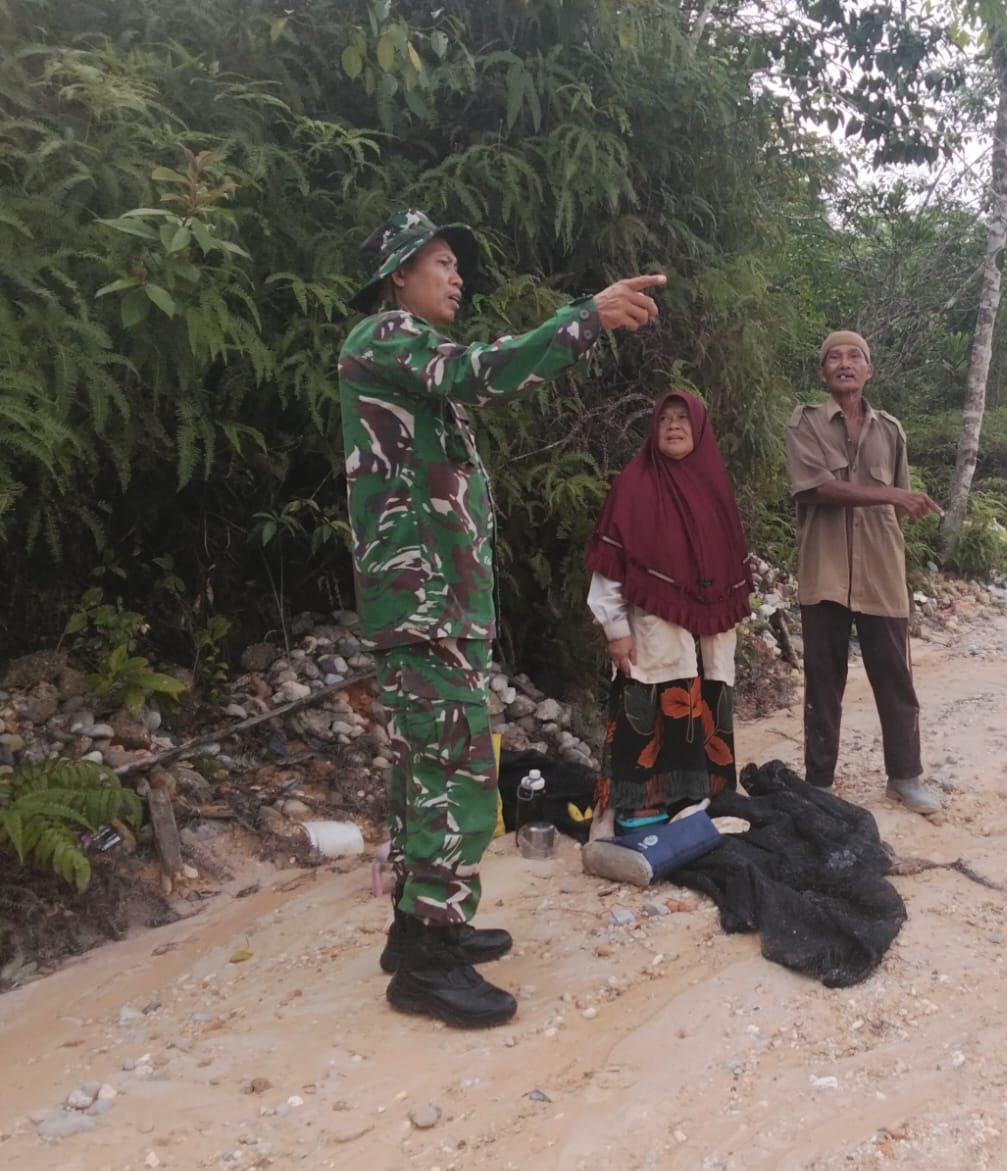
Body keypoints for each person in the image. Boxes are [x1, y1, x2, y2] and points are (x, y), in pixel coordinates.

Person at [339, 208, 663, 1027]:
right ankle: (430, 963)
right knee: (453, 773)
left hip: (433, 603)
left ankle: (419, 929)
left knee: (425, 769)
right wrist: (586, 318)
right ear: (399, 274)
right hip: (423, 605)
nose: (458, 277)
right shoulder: (387, 337)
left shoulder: (403, 361)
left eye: (457, 265)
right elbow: (483, 370)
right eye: (441, 263)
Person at [785, 331, 944, 815]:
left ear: (869, 370)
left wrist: (898, 501)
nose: (845, 363)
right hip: (825, 571)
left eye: (855, 356)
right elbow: (816, 488)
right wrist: (892, 494)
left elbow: (903, 509)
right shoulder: (805, 423)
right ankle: (818, 784)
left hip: (881, 570)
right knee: (823, 681)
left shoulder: (891, 430)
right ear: (822, 373)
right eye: (834, 357)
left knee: (895, 677)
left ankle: (905, 777)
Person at [584, 391, 752, 832]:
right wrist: (615, 628)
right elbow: (611, 566)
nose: (674, 426)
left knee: (707, 698)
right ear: (653, 428)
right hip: (652, 623)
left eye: (683, 419)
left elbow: (729, 559)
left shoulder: (714, 486)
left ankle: (703, 798)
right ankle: (640, 805)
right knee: (647, 704)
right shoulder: (635, 484)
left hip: (710, 627)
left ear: (700, 429)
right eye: (665, 419)